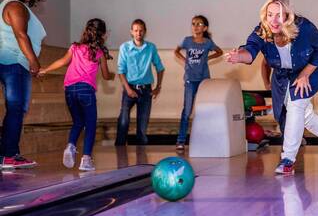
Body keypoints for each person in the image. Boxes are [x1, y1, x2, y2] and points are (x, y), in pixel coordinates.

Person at [225, 0, 318, 175]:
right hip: (283, 75)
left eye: (279, 15)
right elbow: (250, 51)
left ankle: (288, 159)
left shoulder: (304, 27)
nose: (273, 20)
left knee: (296, 105)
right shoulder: (263, 31)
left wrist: (305, 74)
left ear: (288, 15)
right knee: (303, 115)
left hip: (311, 70)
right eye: (269, 15)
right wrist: (239, 56)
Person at [39, 18, 115, 171]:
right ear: (103, 35)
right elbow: (106, 76)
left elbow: (62, 61)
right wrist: (112, 75)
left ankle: (71, 145)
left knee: (78, 122)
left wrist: (45, 70)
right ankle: (86, 159)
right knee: (91, 124)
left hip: (69, 90)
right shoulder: (99, 52)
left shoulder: (75, 47)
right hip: (85, 90)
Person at [0, 0, 46, 169]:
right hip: (15, 63)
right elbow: (21, 36)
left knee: (16, 108)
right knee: (17, 108)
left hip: (12, 63)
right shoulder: (15, 6)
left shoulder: (13, 6)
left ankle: (7, 153)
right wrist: (33, 61)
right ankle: (9, 155)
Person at [174, 15, 223, 151]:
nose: (196, 26)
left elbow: (220, 52)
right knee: (187, 110)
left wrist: (207, 58)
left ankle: (206, 139)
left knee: (205, 111)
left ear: (205, 28)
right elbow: (176, 51)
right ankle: (181, 140)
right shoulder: (187, 41)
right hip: (190, 80)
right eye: (193, 24)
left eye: (199, 24)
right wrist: (184, 60)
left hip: (204, 81)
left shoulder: (207, 43)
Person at [115, 19, 165, 147]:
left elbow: (160, 68)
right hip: (129, 88)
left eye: (141, 30)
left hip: (146, 90)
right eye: (136, 30)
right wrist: (128, 89)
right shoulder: (125, 48)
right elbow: (121, 71)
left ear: (145, 32)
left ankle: (141, 157)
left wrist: (158, 87)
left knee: (142, 127)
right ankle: (119, 150)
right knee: (123, 120)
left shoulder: (151, 47)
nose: (139, 33)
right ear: (131, 32)